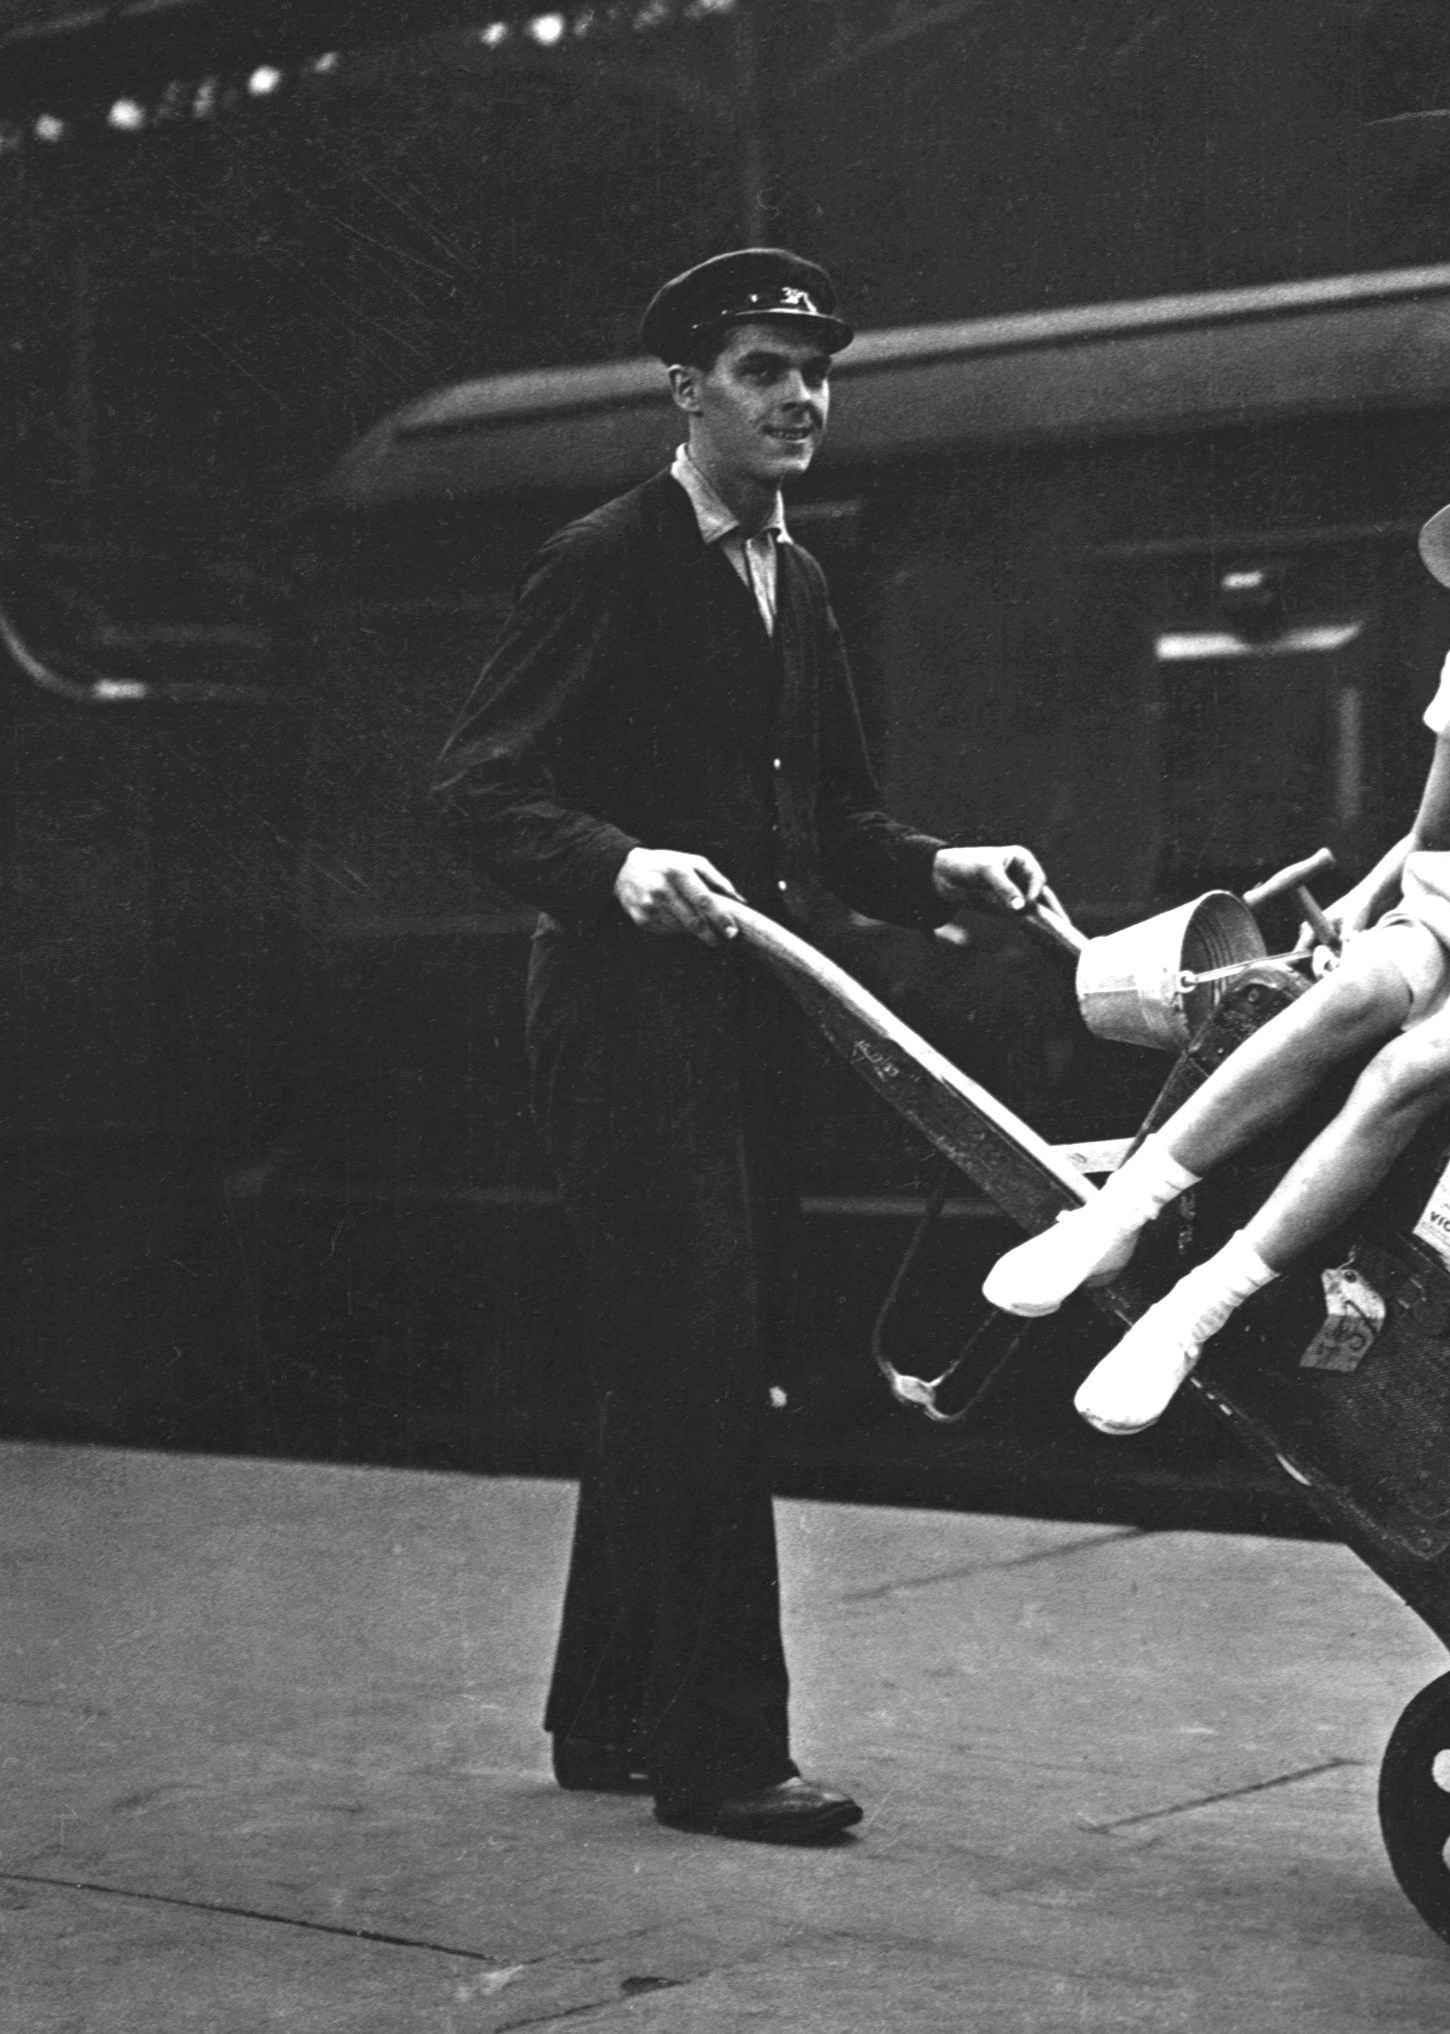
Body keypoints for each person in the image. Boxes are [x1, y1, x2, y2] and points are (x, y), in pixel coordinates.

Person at [430, 249, 1050, 1843]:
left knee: (675, 1362)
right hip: (623, 1030)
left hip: (746, 1029)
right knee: (699, 1368)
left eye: (815, 373)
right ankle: (721, 1756)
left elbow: (832, 819)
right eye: (766, 371)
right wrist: (621, 867)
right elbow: (479, 788)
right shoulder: (606, 558)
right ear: (686, 392)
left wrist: (938, 871)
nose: (800, 400)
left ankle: (604, 1713)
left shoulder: (800, 575)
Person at [983, 120, 1450, 1436]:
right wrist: (1357, 915)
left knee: (1401, 1076)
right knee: (1360, 985)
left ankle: (1196, 1301)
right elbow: (1435, 831)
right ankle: (1116, 1214)